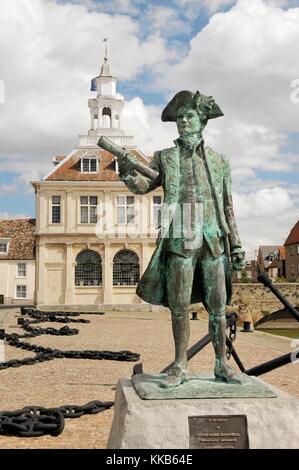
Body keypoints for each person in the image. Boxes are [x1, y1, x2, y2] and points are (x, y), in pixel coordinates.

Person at [118, 90, 245, 388]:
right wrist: (126, 172)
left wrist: (236, 243)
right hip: (180, 232)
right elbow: (142, 185)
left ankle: (221, 364)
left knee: (217, 307)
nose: (183, 122)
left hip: (213, 236)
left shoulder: (219, 161)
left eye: (189, 116)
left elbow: (228, 205)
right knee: (179, 306)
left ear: (202, 121)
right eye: (179, 118)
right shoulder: (165, 157)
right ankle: (180, 365)